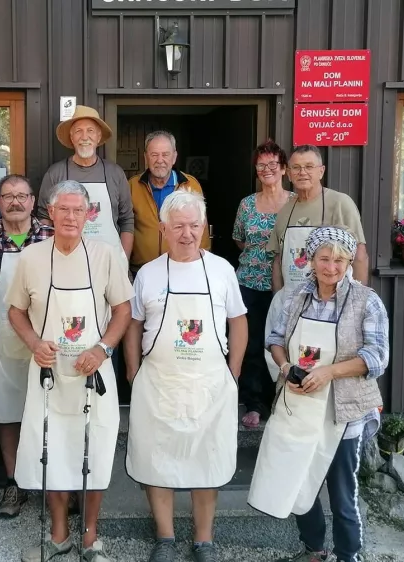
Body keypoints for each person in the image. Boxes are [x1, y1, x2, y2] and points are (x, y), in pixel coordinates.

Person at [8, 180, 133, 562]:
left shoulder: (106, 254)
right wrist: (33, 343)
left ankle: (91, 537)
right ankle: (59, 534)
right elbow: (15, 311)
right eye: (64, 209)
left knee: (94, 450)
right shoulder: (30, 257)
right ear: (49, 211)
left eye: (79, 210)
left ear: (89, 215)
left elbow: (123, 310)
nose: (71, 217)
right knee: (53, 451)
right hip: (48, 373)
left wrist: (103, 348)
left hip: (93, 372)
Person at [248, 226, 388, 562]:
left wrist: (328, 372)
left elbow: (376, 357)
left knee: (343, 494)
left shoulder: (366, 300)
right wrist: (285, 369)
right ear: (310, 260)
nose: (332, 267)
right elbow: (275, 341)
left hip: (345, 411)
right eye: (324, 259)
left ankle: (348, 555)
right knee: (297, 482)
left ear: (349, 261)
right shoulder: (296, 297)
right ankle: (314, 549)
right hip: (300, 404)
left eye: (340, 260)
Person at [125, 190, 247, 562]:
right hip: (159, 384)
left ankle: (203, 540)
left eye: (195, 226)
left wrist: (233, 374)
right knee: (155, 460)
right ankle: (165, 537)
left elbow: (238, 323)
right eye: (178, 226)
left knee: (206, 460)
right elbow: (133, 325)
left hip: (209, 385)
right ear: (163, 229)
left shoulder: (222, 270)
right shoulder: (147, 273)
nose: (187, 233)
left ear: (205, 229)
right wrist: (133, 371)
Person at [0, 174, 54, 518]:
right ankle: (14, 483)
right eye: (8, 196)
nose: (15, 202)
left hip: (49, 341)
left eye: (22, 195)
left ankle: (54, 487)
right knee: (7, 416)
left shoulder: (52, 235)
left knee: (52, 414)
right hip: (3, 341)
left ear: (33, 201)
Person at [234, 140, 293, 429]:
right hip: (249, 283)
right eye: (261, 165)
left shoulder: (296, 203)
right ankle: (254, 403)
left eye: (273, 164)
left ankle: (282, 401)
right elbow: (238, 238)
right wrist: (258, 255)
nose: (267, 169)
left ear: (283, 168)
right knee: (253, 345)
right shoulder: (247, 204)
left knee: (283, 344)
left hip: (286, 287)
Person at [267, 145, 368, 296]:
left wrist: (357, 300)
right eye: (296, 167)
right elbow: (278, 260)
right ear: (288, 174)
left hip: (333, 302)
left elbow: (359, 255)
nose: (302, 172)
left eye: (309, 166)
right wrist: (278, 298)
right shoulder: (285, 211)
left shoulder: (340, 203)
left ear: (321, 171)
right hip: (292, 303)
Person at [37, 105, 135, 260]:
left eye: (90, 131)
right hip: (68, 260)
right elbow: (44, 218)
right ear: (71, 137)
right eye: (78, 131)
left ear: (98, 136)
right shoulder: (55, 173)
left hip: (110, 260)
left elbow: (127, 220)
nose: (84, 137)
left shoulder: (115, 173)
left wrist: (123, 259)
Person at [128, 130, 210, 273]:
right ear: (146, 157)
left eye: (165, 154)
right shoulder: (132, 185)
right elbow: (125, 225)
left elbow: (201, 227)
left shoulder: (190, 184)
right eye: (154, 155)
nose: (160, 160)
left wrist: (202, 264)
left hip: (182, 268)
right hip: (142, 269)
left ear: (174, 157)